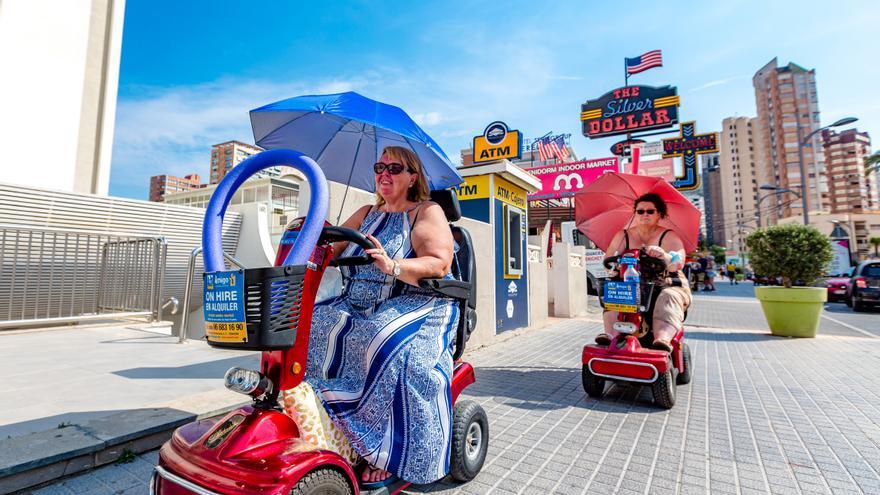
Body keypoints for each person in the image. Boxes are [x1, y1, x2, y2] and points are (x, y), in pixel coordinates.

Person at [281, 146, 459, 487]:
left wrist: (393, 265)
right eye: (380, 166)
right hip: (358, 301)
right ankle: (329, 429)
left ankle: (387, 451)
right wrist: (303, 239)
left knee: (382, 340)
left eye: (395, 167)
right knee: (312, 325)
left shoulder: (425, 211)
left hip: (417, 300)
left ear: (413, 177)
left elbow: (438, 263)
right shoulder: (366, 212)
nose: (385, 173)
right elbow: (327, 247)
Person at [594, 193, 693, 352]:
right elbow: (608, 261)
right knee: (614, 290)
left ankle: (662, 339)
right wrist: (616, 265)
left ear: (659, 214)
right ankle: (610, 334)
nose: (644, 214)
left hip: (666, 282)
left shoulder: (668, 236)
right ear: (635, 214)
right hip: (630, 282)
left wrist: (665, 256)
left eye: (650, 211)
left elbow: (678, 262)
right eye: (640, 211)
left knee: (669, 297)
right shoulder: (623, 235)